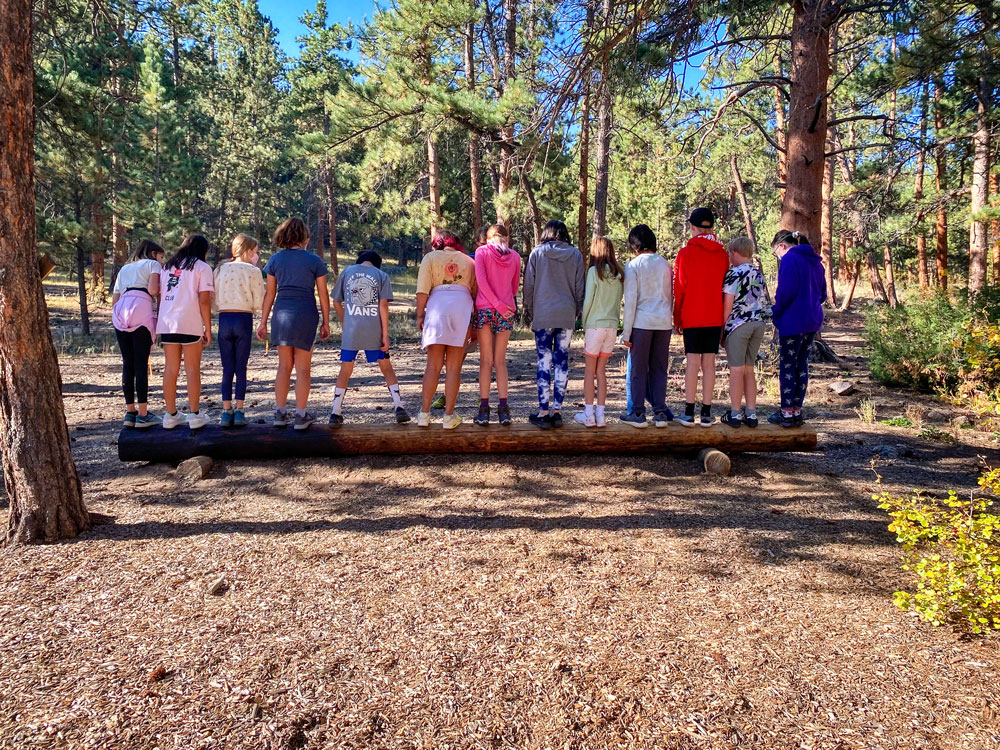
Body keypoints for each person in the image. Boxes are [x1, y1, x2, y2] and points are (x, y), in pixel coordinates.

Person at [257, 218, 330, 430]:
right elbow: (323, 294)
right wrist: (326, 321)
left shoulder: (275, 260)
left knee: (284, 366)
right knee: (303, 369)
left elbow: (269, 294)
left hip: (281, 314)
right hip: (306, 313)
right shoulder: (314, 260)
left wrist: (262, 322)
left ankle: (279, 413)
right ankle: (300, 415)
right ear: (304, 238)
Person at [329, 250, 410, 425]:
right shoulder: (381, 275)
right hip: (374, 329)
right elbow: (383, 306)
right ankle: (399, 407)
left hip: (352, 330)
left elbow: (336, 301)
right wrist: (385, 335)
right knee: (386, 368)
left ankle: (335, 411)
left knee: (346, 369)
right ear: (377, 263)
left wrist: (345, 321)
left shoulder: (347, 272)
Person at [522, 219, 585, 429]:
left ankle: (543, 411)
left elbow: (529, 287)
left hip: (543, 314)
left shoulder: (537, 253)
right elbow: (579, 288)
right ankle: (557, 411)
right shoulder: (575, 255)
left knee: (543, 361)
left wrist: (532, 311)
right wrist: (576, 311)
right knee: (562, 361)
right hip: (566, 314)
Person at [673, 207, 728, 427]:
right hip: (714, 316)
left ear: (692, 228)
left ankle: (688, 412)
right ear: (712, 228)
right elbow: (725, 288)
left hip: (693, 315)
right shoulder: (723, 254)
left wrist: (677, 318)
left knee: (693, 363)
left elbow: (680, 288)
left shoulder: (685, 253)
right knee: (710, 363)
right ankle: (706, 412)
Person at [416, 231, 477, 429]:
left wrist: (419, 314)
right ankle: (448, 416)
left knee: (433, 366)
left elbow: (423, 289)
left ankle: (424, 414)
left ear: (437, 243)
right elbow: (475, 291)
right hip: (462, 308)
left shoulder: (430, 258)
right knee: (453, 367)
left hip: (437, 308)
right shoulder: (469, 261)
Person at [156, 234, 214, 430]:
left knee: (170, 368)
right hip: (190, 322)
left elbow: (162, 295)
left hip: (168, 322)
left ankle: (171, 414)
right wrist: (208, 326)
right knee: (192, 369)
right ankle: (195, 415)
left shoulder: (167, 267)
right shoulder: (202, 268)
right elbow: (204, 300)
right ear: (202, 250)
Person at [769, 229, 826, 428]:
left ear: (782, 246)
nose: (777, 255)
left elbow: (785, 292)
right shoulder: (816, 262)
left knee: (787, 366)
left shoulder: (789, 260)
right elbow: (823, 294)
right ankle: (796, 410)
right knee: (801, 365)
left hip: (793, 321)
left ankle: (786, 412)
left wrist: (777, 312)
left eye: (776, 251)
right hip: (812, 321)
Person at [619, 225, 674, 428]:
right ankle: (659, 412)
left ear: (635, 245)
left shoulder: (633, 266)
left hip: (642, 323)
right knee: (660, 368)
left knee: (638, 369)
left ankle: (638, 413)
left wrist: (626, 332)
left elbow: (630, 301)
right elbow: (670, 295)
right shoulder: (665, 264)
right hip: (663, 322)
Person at [213, 233, 266, 428]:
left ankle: (226, 411)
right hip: (243, 318)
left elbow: (213, 296)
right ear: (248, 251)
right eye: (255, 252)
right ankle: (240, 409)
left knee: (227, 368)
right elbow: (259, 298)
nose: (256, 255)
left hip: (224, 318)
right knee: (241, 367)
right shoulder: (252, 271)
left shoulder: (219, 269)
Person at [111, 239, 165, 428]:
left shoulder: (125, 269)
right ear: (153, 254)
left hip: (121, 311)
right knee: (141, 362)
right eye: (161, 256)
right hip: (141, 307)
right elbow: (152, 289)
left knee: (128, 362)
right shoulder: (153, 265)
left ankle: (130, 412)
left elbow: (115, 298)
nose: (162, 260)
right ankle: (144, 414)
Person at [473, 224, 521, 426]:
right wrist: (503, 305)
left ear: (488, 237)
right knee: (500, 361)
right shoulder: (516, 257)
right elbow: (514, 286)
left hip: (485, 308)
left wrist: (495, 304)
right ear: (506, 238)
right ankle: (504, 409)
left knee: (486, 360)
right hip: (506, 311)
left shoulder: (481, 252)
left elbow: (481, 282)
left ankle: (484, 409)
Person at [720, 237, 770, 428]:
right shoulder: (758, 273)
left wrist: (723, 327)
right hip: (758, 324)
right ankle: (751, 413)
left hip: (738, 324)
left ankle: (734, 413)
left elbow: (728, 303)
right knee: (749, 370)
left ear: (734, 253)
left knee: (736, 370)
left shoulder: (734, 273)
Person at [574, 236, 623, 428]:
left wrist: (584, 323)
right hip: (611, 325)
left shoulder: (595, 272)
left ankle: (588, 415)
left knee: (589, 371)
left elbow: (588, 302)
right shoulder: (619, 274)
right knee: (601, 371)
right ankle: (601, 415)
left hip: (595, 325)